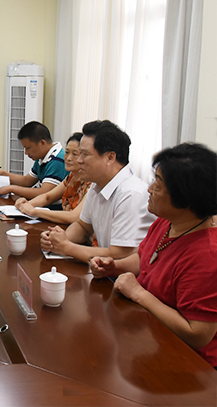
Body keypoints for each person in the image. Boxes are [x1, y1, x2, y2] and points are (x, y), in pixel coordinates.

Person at [89, 143, 217, 369]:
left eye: (157, 184)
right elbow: (144, 258)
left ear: (185, 198)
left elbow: (198, 334)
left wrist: (139, 293)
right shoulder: (167, 222)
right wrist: (115, 266)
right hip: (150, 334)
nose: (149, 189)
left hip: (190, 364)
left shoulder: (206, 255)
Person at [40, 120, 154, 262]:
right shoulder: (97, 185)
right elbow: (83, 226)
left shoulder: (131, 194)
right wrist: (58, 240)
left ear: (110, 158)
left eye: (84, 154)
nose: (79, 160)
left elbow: (120, 254)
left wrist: (67, 247)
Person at [14, 132, 92, 224]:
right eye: (67, 152)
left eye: (75, 154)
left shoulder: (91, 183)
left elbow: (73, 217)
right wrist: (26, 205)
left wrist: (35, 211)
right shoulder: (71, 176)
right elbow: (47, 197)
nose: (68, 158)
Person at [0, 121, 68, 202]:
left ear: (42, 143)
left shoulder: (58, 160)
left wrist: (12, 189)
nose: (25, 152)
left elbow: (44, 193)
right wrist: (3, 174)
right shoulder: (42, 157)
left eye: (28, 148)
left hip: (53, 208)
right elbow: (27, 181)